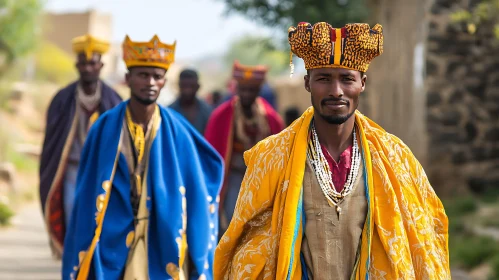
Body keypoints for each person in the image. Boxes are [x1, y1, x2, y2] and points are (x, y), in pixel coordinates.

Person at [214, 22, 450, 279]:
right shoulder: (272, 157)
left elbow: (424, 242)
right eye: (324, 79)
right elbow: (249, 247)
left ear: (362, 83)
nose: (336, 91)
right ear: (307, 83)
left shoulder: (396, 158)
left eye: (347, 79)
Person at [62, 35, 224, 280]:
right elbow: (87, 193)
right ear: (128, 79)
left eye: (157, 76)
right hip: (113, 235)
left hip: (162, 233)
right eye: (142, 74)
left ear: (164, 82)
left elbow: (205, 174)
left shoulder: (178, 131)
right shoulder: (104, 128)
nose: (150, 82)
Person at [39, 34, 122, 258]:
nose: (87, 68)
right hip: (71, 171)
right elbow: (51, 145)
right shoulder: (63, 99)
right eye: (83, 63)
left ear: (101, 65)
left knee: (100, 221)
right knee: (71, 217)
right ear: (77, 64)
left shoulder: (113, 101)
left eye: (92, 63)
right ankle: (73, 264)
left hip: (101, 172)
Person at [205, 60, 284, 237]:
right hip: (234, 177)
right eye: (244, 89)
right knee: (234, 223)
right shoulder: (222, 115)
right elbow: (212, 151)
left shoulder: (269, 117)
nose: (247, 94)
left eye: (252, 90)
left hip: (262, 178)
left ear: (259, 91)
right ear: (237, 89)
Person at [169, 69, 213, 134]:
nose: (187, 91)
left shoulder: (208, 111)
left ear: (198, 87)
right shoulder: (170, 112)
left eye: (191, 86)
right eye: (184, 86)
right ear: (179, 86)